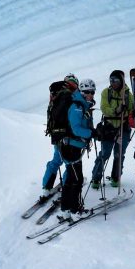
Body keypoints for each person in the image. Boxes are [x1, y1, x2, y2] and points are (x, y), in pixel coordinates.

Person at [57, 78, 97, 221]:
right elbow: (76, 129)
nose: (90, 95)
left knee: (70, 179)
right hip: (71, 147)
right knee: (77, 180)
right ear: (81, 91)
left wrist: (93, 132)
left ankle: (65, 210)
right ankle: (75, 211)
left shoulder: (81, 104)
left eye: (92, 92)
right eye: (87, 92)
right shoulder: (76, 106)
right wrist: (92, 133)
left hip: (72, 146)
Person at [91, 70, 133, 189]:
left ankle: (116, 177)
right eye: (111, 80)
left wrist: (127, 110)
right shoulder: (106, 92)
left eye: (116, 80)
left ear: (121, 81)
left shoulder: (128, 95)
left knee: (119, 153)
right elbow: (104, 108)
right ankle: (96, 177)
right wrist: (116, 110)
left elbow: (131, 110)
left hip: (123, 127)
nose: (113, 82)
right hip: (109, 127)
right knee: (105, 153)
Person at [40, 73, 78, 200]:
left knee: (56, 160)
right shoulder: (70, 96)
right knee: (69, 162)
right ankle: (66, 188)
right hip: (68, 135)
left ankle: (46, 187)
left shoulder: (55, 95)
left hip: (56, 134)